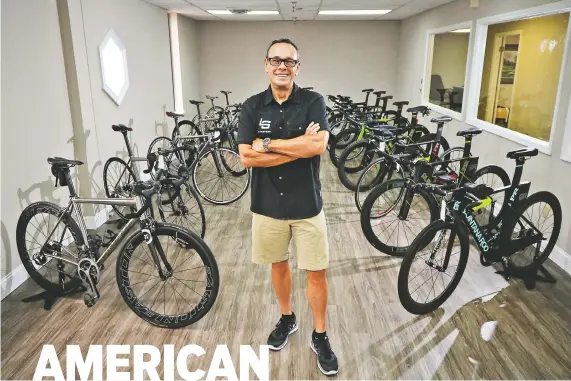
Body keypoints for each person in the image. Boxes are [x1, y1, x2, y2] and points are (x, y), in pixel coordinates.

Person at [236, 38, 338, 376]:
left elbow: (319, 144)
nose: (282, 66)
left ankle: (320, 334)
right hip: (267, 205)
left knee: (316, 272)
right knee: (278, 266)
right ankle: (287, 317)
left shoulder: (313, 101)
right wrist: (298, 146)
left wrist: (268, 145)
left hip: (307, 203)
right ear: (265, 64)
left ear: (298, 67)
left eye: (289, 61)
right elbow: (246, 156)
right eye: (276, 60)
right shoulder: (252, 107)